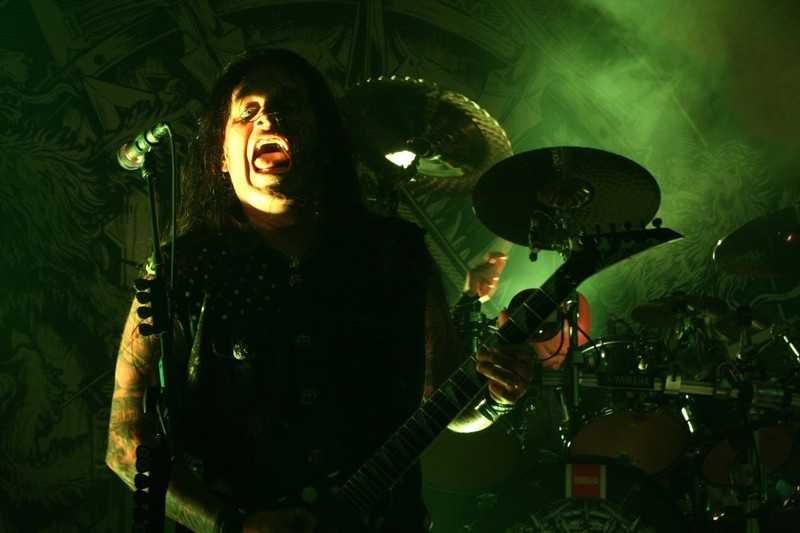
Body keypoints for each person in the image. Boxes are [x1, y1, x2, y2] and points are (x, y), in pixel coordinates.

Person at [105, 48, 535, 533]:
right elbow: (124, 440)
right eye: (247, 110)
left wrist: (499, 392)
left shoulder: (395, 256)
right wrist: (228, 526)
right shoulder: (181, 270)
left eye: (287, 104)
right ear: (221, 157)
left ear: (325, 144)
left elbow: (453, 409)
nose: (268, 116)